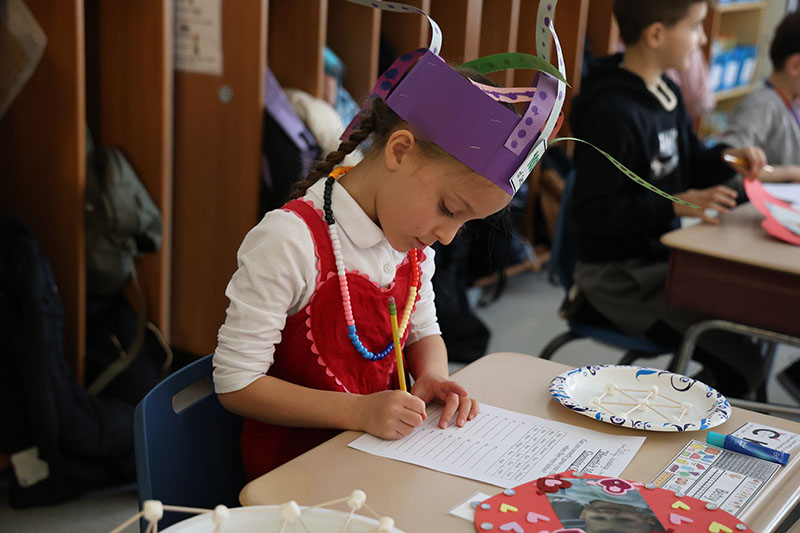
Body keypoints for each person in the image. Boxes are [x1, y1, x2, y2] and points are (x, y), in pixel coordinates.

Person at [211, 1, 570, 481]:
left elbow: (426, 332)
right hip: (293, 480)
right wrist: (358, 412)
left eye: (464, 224)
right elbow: (236, 384)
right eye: (449, 209)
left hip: (375, 463)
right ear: (400, 150)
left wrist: (434, 375)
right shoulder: (290, 242)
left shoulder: (412, 246)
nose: (446, 237)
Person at [569, 0, 769, 396]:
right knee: (743, 363)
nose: (703, 38)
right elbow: (592, 215)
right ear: (656, 34)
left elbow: (690, 162)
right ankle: (689, 423)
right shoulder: (613, 112)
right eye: (695, 26)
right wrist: (672, 204)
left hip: (662, 262)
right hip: (617, 281)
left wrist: (731, 158)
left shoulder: (667, 92)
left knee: (752, 314)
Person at [720, 10, 800, 184]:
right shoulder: (762, 105)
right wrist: (792, 173)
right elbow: (732, 162)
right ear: (795, 66)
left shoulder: (792, 102)